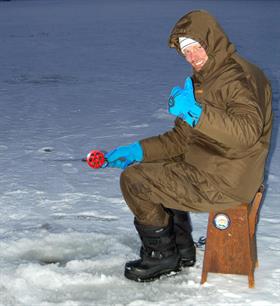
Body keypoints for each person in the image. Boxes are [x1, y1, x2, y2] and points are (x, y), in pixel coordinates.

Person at [104, 10, 273, 282]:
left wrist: (196, 113)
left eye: (196, 47)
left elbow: (247, 132)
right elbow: (182, 139)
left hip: (227, 179)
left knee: (135, 180)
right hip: (219, 166)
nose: (192, 57)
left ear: (212, 41)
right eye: (185, 52)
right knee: (155, 167)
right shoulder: (208, 75)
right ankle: (182, 250)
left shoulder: (236, 78)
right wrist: (138, 150)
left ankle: (161, 257)